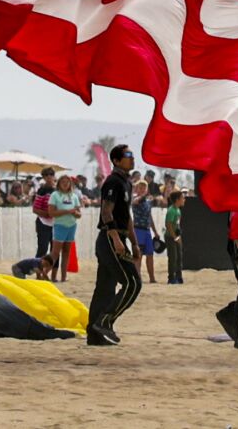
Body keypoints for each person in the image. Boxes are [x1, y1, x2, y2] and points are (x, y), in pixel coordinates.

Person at [87, 144, 144, 346]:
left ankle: (94, 335)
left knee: (105, 288)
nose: (132, 158)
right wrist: (117, 239)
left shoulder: (126, 182)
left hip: (117, 238)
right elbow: (106, 212)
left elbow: (126, 216)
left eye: (132, 155)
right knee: (133, 283)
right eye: (128, 155)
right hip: (110, 239)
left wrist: (135, 243)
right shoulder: (112, 181)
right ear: (116, 160)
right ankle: (105, 322)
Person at [48, 174, 83, 284]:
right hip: (60, 226)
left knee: (67, 252)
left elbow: (79, 213)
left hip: (71, 226)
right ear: (59, 183)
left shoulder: (74, 196)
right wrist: (68, 211)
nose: (65, 184)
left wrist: (75, 213)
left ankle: (63, 276)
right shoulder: (55, 195)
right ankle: (44, 273)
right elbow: (51, 212)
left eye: (67, 182)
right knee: (55, 253)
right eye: (63, 182)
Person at [131, 180, 160, 285]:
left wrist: (155, 231)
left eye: (144, 187)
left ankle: (152, 278)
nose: (142, 189)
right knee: (139, 255)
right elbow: (136, 201)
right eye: (140, 187)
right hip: (138, 230)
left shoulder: (148, 202)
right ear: (137, 189)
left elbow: (149, 217)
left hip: (147, 230)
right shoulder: (135, 199)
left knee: (150, 254)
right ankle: (137, 278)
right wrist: (144, 195)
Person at [31, 170, 57, 280]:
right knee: (42, 248)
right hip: (43, 222)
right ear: (43, 177)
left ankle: (53, 275)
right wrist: (48, 214)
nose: (49, 177)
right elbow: (35, 209)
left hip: (56, 223)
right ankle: (38, 273)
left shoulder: (58, 190)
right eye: (46, 175)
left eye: (51, 174)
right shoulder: (42, 190)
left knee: (55, 250)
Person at [164, 187, 186, 285]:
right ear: (177, 199)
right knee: (173, 257)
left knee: (179, 257)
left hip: (176, 236)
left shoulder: (178, 210)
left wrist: (179, 236)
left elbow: (177, 225)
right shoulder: (171, 210)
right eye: (182, 198)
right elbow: (168, 225)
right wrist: (175, 237)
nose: (184, 200)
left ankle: (179, 277)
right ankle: (171, 278)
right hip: (170, 237)